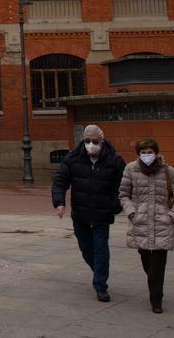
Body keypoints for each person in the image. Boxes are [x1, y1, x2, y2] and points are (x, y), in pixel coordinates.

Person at [51, 124, 126, 302]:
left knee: (100, 248)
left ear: (102, 141)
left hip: (102, 213)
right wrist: (59, 202)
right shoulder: (73, 158)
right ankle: (100, 271)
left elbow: (124, 186)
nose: (91, 144)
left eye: (95, 141)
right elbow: (60, 181)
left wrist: (115, 206)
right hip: (81, 213)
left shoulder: (114, 160)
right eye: (87, 141)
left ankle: (100, 286)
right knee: (86, 248)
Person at [119, 138, 174, 314]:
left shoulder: (169, 172)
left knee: (158, 263)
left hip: (162, 224)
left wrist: (170, 216)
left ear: (156, 153)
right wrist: (132, 212)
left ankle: (156, 299)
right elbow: (123, 195)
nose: (147, 155)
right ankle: (154, 284)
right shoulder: (131, 169)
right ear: (138, 154)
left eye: (150, 152)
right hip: (140, 223)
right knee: (146, 260)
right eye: (143, 152)